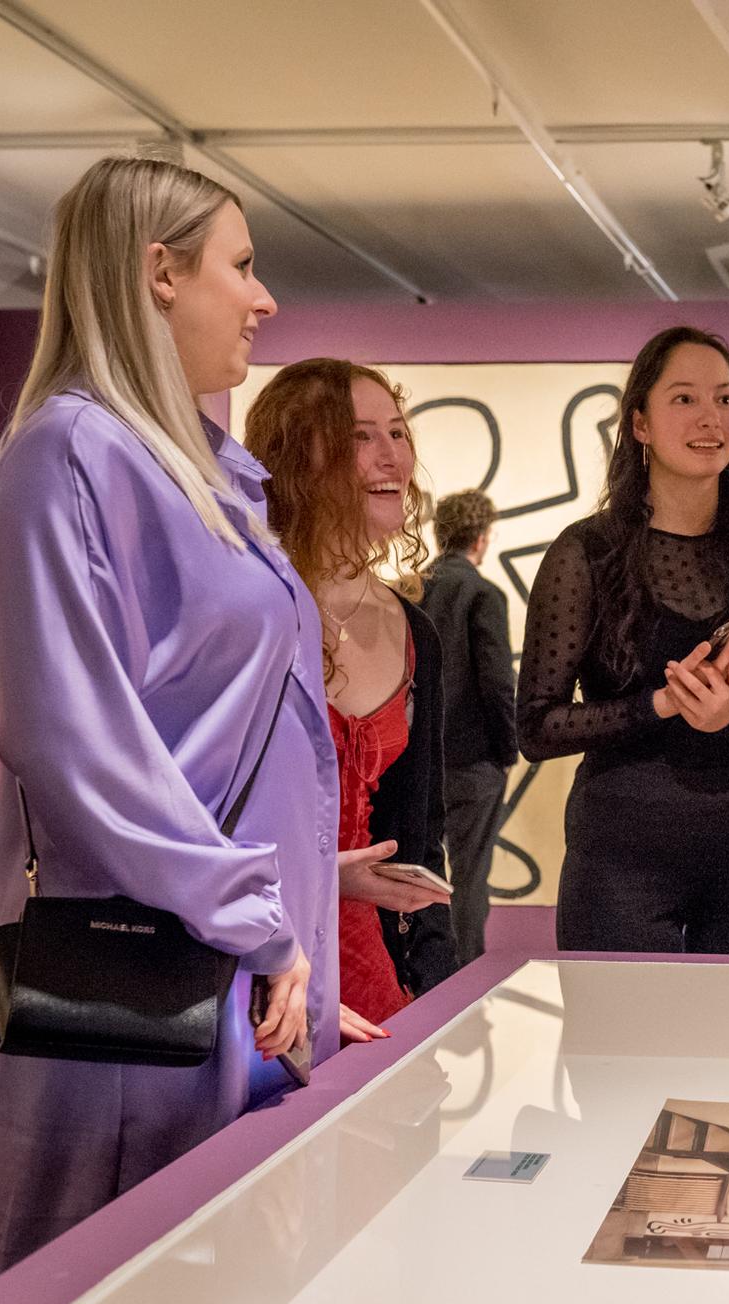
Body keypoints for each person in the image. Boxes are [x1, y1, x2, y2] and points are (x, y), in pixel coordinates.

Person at [0, 157, 337, 1293]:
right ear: (157, 274)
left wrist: (311, 899)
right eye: (242, 265)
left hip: (231, 968)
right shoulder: (65, 457)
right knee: (121, 1282)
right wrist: (262, 919)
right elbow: (79, 755)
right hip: (139, 983)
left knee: (225, 1281)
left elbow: (218, 717)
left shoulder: (202, 470)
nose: (264, 300)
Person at [517, 326, 729, 954]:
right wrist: (658, 705)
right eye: (684, 399)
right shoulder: (586, 554)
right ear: (640, 424)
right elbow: (536, 727)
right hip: (620, 861)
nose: (710, 419)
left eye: (724, 400)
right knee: (620, 1051)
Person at [245, 358, 456, 1039]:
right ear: (301, 455)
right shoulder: (252, 607)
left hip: (374, 965)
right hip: (260, 957)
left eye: (397, 431)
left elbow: (421, 834)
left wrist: (440, 988)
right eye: (362, 435)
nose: (393, 454)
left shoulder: (414, 630)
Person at [421, 489, 518, 965]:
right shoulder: (484, 595)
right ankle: (464, 980)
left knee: (418, 873)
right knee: (470, 875)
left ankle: (424, 973)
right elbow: (499, 684)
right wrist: (507, 751)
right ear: (481, 538)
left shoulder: (411, 590)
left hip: (418, 762)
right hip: (474, 759)